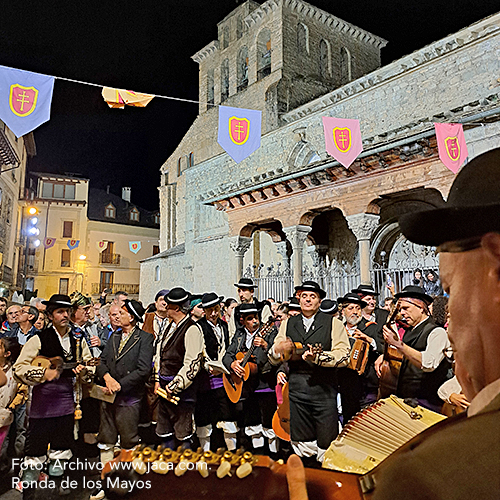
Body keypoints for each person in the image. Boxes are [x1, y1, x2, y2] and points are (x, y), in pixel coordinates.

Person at [13, 294, 92, 482]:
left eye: (68, 311)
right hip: (42, 406)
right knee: (34, 453)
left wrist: (83, 371)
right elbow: (19, 368)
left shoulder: (78, 339)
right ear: (50, 316)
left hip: (66, 405)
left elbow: (90, 366)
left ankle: (55, 489)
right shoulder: (38, 339)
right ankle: (30, 490)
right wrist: (43, 374)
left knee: (60, 452)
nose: (65, 315)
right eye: (60, 312)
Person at [269, 281, 350, 463]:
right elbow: (273, 354)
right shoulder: (288, 323)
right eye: (304, 296)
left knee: (327, 441)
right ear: (299, 299)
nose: (307, 300)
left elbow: (344, 355)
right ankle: (306, 479)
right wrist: (277, 349)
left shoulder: (333, 323)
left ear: (319, 301)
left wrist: (318, 358)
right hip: (297, 391)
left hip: (324, 390)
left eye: (312, 297)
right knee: (302, 442)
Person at [96, 299, 154, 465]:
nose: (117, 316)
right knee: (106, 438)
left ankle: (128, 479)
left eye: (121, 313)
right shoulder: (114, 336)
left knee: (129, 439)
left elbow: (143, 370)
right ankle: (105, 479)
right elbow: (102, 361)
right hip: (108, 396)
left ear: (132, 318)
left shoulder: (144, 338)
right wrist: (107, 378)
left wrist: (120, 385)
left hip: (129, 398)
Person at [375, 285, 451, 412]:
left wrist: (399, 345)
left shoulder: (437, 332)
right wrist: (386, 355)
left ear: (421, 307)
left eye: (406, 308)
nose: (402, 313)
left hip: (428, 405)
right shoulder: (410, 330)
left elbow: (429, 363)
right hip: (407, 403)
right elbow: (407, 355)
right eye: (400, 309)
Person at [223, 303, 278, 454]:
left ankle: (273, 455)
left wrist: (266, 345)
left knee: (268, 422)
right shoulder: (239, 335)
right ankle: (257, 453)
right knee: (252, 421)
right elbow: (227, 356)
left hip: (265, 383)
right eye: (250, 318)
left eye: (256, 317)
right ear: (242, 321)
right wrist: (233, 364)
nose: (255, 321)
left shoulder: (269, 332)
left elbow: (276, 354)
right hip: (247, 387)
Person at [153, 287, 204, 450]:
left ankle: (184, 471)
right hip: (163, 389)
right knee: (165, 433)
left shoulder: (192, 329)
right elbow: (159, 355)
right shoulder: (169, 326)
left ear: (176, 307)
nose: (165, 307)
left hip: (182, 394)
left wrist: (175, 386)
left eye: (168, 305)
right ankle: (166, 468)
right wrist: (157, 381)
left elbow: (192, 364)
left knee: (183, 434)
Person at [194, 292, 236, 451]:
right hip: (206, 379)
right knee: (204, 418)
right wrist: (208, 366)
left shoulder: (224, 325)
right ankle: (205, 452)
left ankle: (232, 452)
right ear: (204, 311)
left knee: (228, 416)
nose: (213, 313)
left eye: (216, 309)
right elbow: (200, 351)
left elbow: (227, 347)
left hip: (224, 379)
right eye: (210, 310)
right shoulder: (199, 327)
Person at [337, 293, 382, 422]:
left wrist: (369, 340)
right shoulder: (338, 330)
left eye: (358, 308)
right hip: (345, 384)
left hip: (367, 385)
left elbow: (383, 348)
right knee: (349, 422)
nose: (355, 312)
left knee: (367, 422)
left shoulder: (372, 327)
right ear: (343, 311)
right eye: (351, 308)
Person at [0, 337, 21, 473]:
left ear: (7, 354)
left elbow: (22, 391)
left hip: (4, 415)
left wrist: (12, 406)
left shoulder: (14, 371)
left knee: (2, 446)